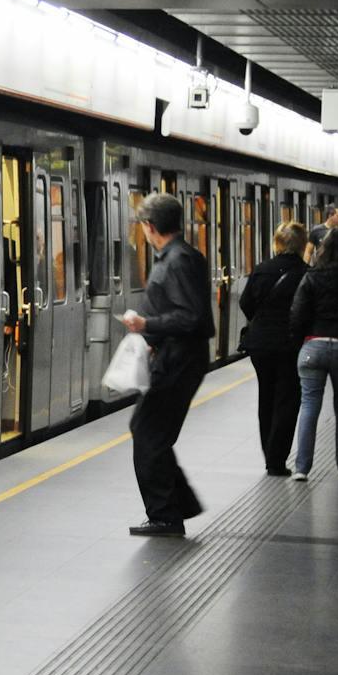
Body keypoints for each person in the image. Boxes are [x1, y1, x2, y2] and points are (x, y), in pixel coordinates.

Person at [121, 193, 214, 536]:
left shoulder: (177, 261)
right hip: (175, 356)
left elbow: (190, 317)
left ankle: (166, 515)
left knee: (147, 432)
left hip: (179, 358)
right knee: (152, 432)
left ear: (149, 226)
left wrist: (147, 325)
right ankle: (177, 505)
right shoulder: (180, 256)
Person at [288, 228, 338, 480]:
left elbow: (297, 314)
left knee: (309, 405)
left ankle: (301, 468)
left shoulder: (312, 276)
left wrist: (299, 343)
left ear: (323, 249)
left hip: (313, 346)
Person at [240, 221, 308, 476]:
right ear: (302, 245)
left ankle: (268, 453)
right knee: (288, 399)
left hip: (260, 344)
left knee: (266, 397)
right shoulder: (306, 272)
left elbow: (246, 303)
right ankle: (276, 460)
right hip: (291, 344)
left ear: (277, 243)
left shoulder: (261, 270)